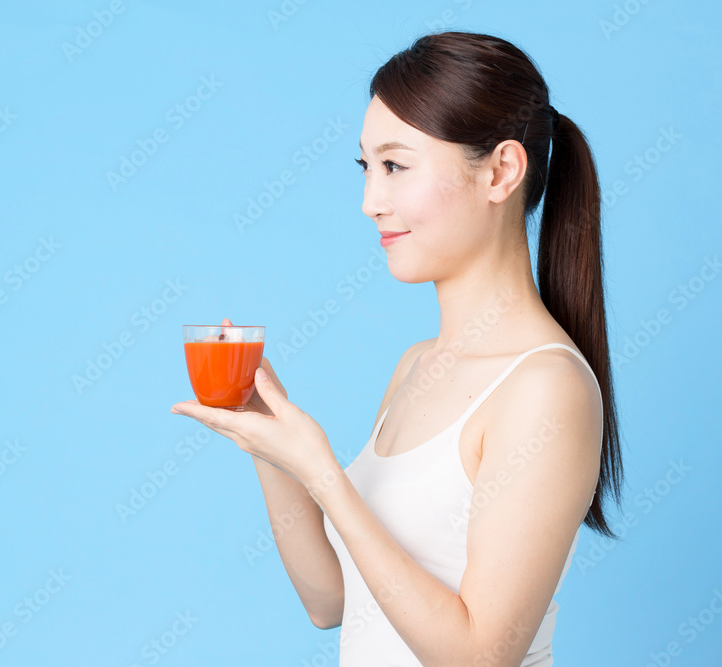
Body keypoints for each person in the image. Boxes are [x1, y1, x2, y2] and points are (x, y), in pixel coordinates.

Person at [171, 30, 624, 666]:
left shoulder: (546, 388)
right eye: (366, 167)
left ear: (500, 171)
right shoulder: (418, 365)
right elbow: (331, 602)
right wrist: (269, 444)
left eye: (395, 165)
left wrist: (325, 474)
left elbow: (479, 657)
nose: (369, 202)